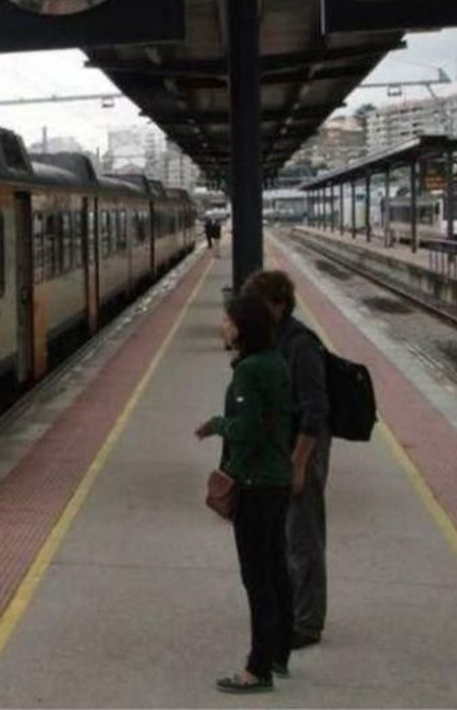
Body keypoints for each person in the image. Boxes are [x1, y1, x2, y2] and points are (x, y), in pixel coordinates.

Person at [196, 292, 294, 693]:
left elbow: (248, 430)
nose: (225, 326)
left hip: (254, 486)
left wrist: (219, 425)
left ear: (244, 329)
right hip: (278, 481)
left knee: (257, 580)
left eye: (229, 321)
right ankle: (278, 655)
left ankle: (257, 670)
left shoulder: (249, 372)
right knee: (276, 572)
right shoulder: (276, 363)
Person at [242, 270, 329, 650]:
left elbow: (315, 410)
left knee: (304, 536)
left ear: (278, 304)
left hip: (303, 448)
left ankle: (307, 624)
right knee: (284, 535)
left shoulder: (301, 345)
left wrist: (298, 463)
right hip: (282, 449)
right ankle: (290, 610)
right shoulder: (276, 339)